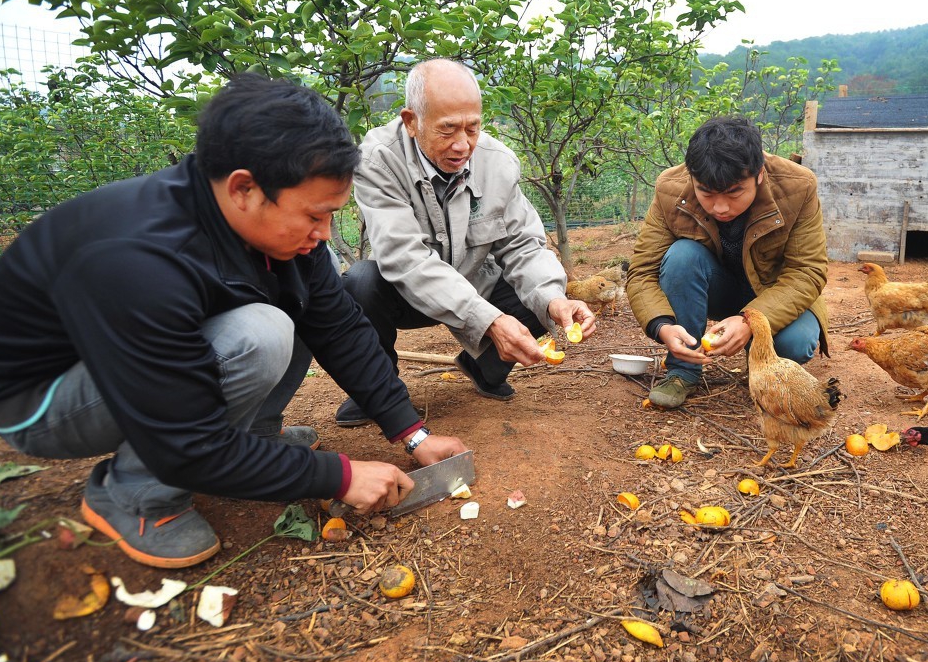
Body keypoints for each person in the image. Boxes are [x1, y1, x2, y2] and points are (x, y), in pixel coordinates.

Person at [0, 74, 465, 569]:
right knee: (258, 334)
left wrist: (412, 433)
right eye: (314, 216)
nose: (324, 232)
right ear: (244, 188)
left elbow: (338, 326)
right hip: (39, 400)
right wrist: (338, 477)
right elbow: (187, 443)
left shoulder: (259, 225)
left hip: (132, 367)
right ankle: (135, 494)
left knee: (299, 294)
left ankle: (253, 441)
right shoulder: (137, 259)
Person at [334, 58, 594, 424]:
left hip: (474, 282)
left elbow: (523, 244)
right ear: (411, 121)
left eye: (473, 128)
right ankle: (377, 389)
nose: (463, 144)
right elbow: (404, 258)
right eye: (448, 129)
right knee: (360, 282)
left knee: (538, 295)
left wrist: (553, 299)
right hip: (405, 292)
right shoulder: (379, 160)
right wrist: (488, 321)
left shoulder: (497, 162)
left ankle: (484, 367)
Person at [626, 116, 829, 409]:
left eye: (734, 192)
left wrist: (750, 321)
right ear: (692, 178)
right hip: (718, 288)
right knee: (682, 256)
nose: (720, 207)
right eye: (706, 193)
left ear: (759, 174)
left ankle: (763, 368)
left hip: (772, 290)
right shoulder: (671, 188)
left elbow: (807, 271)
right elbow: (642, 271)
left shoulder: (797, 186)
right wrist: (661, 326)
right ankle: (683, 371)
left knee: (794, 344)